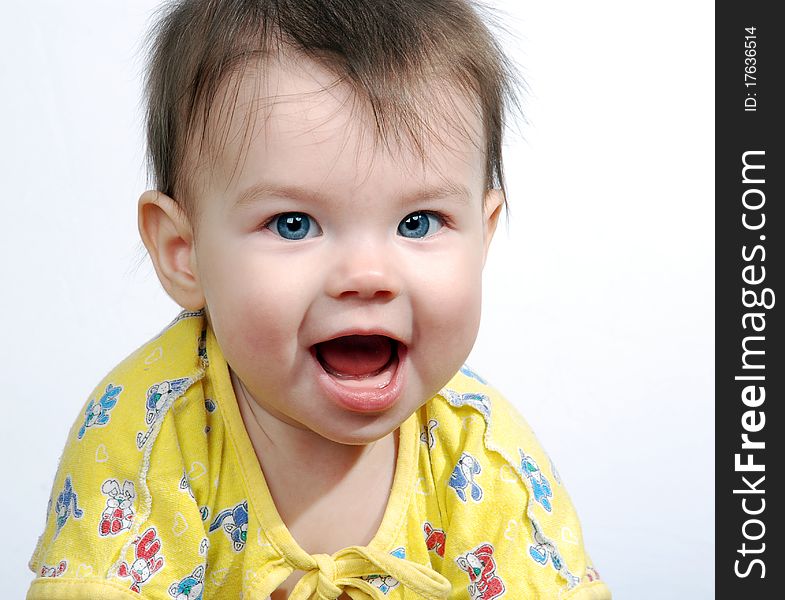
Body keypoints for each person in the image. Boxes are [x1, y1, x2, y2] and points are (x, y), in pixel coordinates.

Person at [27, 1, 611, 598]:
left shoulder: (484, 455)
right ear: (184, 251)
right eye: (293, 224)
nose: (366, 275)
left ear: (483, 236)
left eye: (417, 222)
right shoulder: (148, 439)